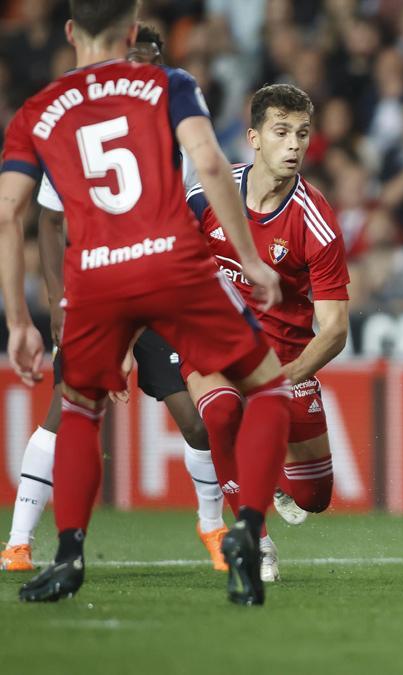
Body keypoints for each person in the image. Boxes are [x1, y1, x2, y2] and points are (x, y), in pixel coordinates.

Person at [0, 0, 289, 605]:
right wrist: (251, 257)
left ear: (73, 32)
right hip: (171, 262)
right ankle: (248, 529)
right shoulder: (169, 83)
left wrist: (20, 319)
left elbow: (10, 213)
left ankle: (69, 556)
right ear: (131, 32)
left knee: (79, 408)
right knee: (265, 387)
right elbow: (210, 162)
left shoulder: (36, 112)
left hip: (94, 278)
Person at [183, 84, 350, 583]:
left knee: (313, 498)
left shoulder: (315, 220)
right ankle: (255, 538)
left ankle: (272, 475)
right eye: (281, 132)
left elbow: (337, 329)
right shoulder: (206, 196)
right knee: (222, 412)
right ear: (254, 137)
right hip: (215, 343)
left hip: (286, 360)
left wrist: (285, 377)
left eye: (302, 133)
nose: (294, 144)